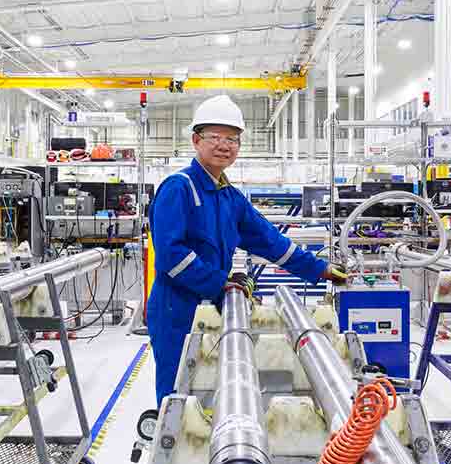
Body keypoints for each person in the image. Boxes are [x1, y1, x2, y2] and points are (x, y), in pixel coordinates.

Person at [147, 94, 348, 404]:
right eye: (215, 137)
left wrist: (317, 268)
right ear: (195, 141)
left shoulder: (229, 196)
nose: (225, 145)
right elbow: (171, 255)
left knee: (210, 381)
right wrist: (218, 283)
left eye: (233, 139)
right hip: (177, 306)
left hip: (213, 302)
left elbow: (268, 239)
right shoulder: (179, 187)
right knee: (178, 386)